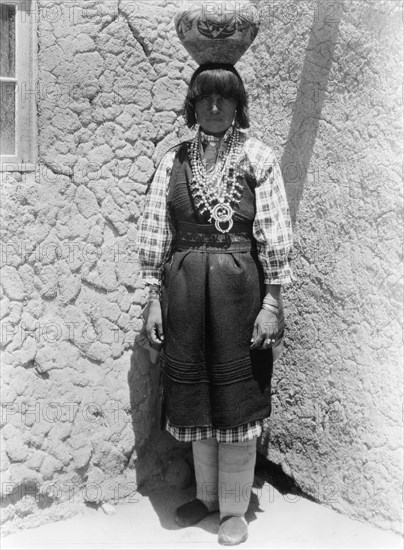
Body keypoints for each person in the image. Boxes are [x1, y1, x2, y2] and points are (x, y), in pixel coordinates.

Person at [137, 63, 293, 546]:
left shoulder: (258, 158)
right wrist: (152, 299)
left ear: (238, 105)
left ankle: (233, 507)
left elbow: (276, 234)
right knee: (196, 396)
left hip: (239, 297)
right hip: (183, 295)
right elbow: (155, 232)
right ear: (192, 104)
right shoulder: (173, 160)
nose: (214, 106)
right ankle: (205, 499)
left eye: (225, 98)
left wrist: (272, 302)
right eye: (205, 97)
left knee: (235, 397)